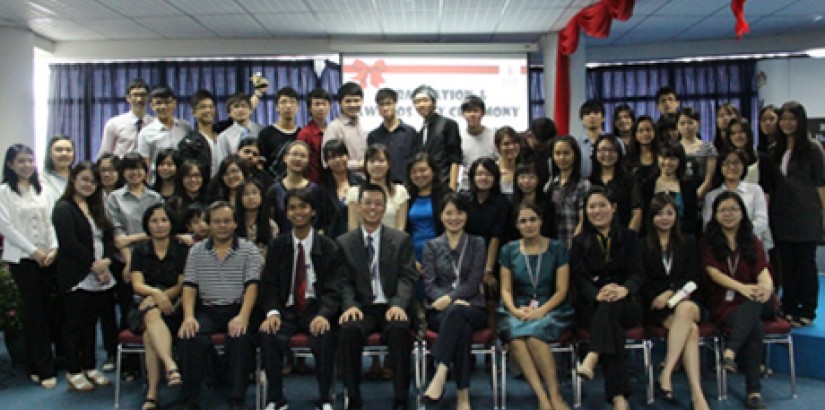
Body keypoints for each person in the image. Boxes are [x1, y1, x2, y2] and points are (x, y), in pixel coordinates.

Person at [336, 183, 418, 410]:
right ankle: (353, 398)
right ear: (359, 206)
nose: (373, 208)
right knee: (349, 329)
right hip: (362, 307)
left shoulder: (400, 240)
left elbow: (408, 277)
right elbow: (342, 281)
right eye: (368, 203)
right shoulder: (345, 242)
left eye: (378, 204)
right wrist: (349, 305)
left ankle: (401, 398)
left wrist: (399, 304)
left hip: (392, 304)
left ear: (384, 208)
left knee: (400, 329)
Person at [258, 189, 341, 410]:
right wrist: (272, 312)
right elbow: (269, 285)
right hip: (286, 309)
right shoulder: (278, 245)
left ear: (313, 211)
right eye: (292, 207)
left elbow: (334, 289)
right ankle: (276, 399)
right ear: (286, 213)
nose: (298, 212)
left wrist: (324, 314)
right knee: (268, 334)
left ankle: (325, 398)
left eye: (303, 207)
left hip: (315, 308)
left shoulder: (328, 246)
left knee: (324, 335)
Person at [177, 201, 263, 410]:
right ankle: (191, 398)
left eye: (226, 221)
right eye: (217, 222)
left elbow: (252, 286)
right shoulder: (196, 251)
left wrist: (243, 316)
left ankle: (237, 398)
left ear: (235, 224)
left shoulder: (249, 250)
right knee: (189, 336)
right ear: (210, 224)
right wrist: (188, 317)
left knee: (240, 338)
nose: (222, 225)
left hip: (238, 307)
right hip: (207, 308)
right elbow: (189, 286)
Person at [570, 187, 644, 410]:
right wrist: (597, 294)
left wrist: (624, 289)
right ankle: (619, 397)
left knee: (612, 309)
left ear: (613, 208)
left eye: (602, 205)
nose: (597, 211)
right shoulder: (579, 241)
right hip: (593, 305)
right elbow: (579, 278)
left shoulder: (630, 237)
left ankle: (593, 355)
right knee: (611, 326)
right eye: (592, 207)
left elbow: (639, 273)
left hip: (627, 303)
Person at [498, 203, 573, 410]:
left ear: (541, 221)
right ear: (516, 225)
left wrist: (542, 310)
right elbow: (505, 290)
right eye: (523, 221)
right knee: (515, 336)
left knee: (533, 335)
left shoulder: (558, 248)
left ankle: (555, 395)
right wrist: (514, 310)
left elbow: (561, 290)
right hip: (518, 307)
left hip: (552, 307)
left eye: (533, 219)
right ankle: (542, 398)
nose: (529, 225)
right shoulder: (508, 250)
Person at [703, 191, 774, 410]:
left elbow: (763, 271)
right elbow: (713, 273)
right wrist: (743, 288)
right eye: (723, 210)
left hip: (758, 300)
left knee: (755, 304)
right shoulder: (709, 242)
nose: (728, 214)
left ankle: (731, 351)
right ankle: (753, 391)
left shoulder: (752, 241)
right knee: (755, 326)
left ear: (743, 214)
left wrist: (766, 289)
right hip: (726, 304)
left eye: (733, 209)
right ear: (714, 215)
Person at [640, 193, 709, 410]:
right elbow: (642, 279)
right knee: (691, 331)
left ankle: (666, 372)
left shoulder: (688, 241)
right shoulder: (642, 245)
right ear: (651, 217)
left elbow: (694, 278)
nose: (664, 218)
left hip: (688, 299)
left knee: (687, 309)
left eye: (669, 213)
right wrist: (661, 298)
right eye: (659, 214)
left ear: (676, 216)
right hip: (658, 308)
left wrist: (672, 293)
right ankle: (698, 396)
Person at [52, 161, 116, 391]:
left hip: (101, 275)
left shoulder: (97, 206)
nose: (89, 185)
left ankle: (90, 366)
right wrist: (94, 266)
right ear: (74, 180)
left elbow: (109, 236)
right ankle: (73, 370)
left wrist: (107, 260)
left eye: (93, 181)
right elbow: (70, 244)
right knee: (74, 325)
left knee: (91, 323)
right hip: (77, 276)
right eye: (85, 179)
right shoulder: (63, 208)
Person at [421, 193, 487, 410]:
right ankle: (463, 397)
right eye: (449, 213)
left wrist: (450, 298)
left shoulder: (477, 243)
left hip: (473, 307)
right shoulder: (431, 246)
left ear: (466, 216)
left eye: (459, 213)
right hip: (440, 311)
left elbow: (473, 282)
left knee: (459, 315)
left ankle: (440, 372)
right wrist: (450, 303)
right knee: (461, 328)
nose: (454, 218)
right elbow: (429, 285)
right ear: (441, 216)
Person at [0, 144, 59, 388]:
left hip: (49, 257)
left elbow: (52, 221)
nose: (26, 165)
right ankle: (43, 369)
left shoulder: (43, 189)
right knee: (34, 313)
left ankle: (42, 361)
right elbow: (7, 228)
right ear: (11, 165)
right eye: (20, 161)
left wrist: (54, 247)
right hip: (24, 260)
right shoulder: (4, 191)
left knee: (49, 311)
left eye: (29, 160)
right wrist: (33, 251)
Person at [769, 101, 825, 327]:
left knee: (805, 264)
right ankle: (789, 307)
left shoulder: (813, 149)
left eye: (792, 119)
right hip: (781, 216)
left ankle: (808, 309)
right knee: (787, 265)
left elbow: (821, 185)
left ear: (800, 121)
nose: (787, 123)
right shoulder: (775, 150)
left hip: (806, 215)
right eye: (783, 119)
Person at [128, 204, 188, 410]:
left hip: (175, 307)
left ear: (171, 223)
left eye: (164, 220)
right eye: (154, 221)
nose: (160, 225)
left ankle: (152, 393)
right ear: (147, 224)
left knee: (149, 335)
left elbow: (182, 285)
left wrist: (162, 298)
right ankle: (170, 366)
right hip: (143, 305)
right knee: (151, 315)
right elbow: (137, 285)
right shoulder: (140, 250)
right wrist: (156, 295)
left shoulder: (181, 249)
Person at [463, 157, 512, 332]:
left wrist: (488, 270)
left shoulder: (502, 202)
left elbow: (496, 237)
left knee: (490, 292)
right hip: (467, 258)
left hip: (494, 258)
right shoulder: (465, 200)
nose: (483, 178)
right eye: (479, 174)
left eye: (488, 174)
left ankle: (493, 343)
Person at [703, 149, 770, 251]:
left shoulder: (755, 190)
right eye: (727, 163)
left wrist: (739, 235)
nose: (732, 167)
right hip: (721, 247)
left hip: (751, 245)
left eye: (736, 162)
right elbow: (707, 225)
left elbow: (762, 221)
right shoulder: (711, 196)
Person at [640, 140, 698, 237]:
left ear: (680, 160)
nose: (667, 162)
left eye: (672, 159)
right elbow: (644, 217)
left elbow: (692, 218)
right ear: (657, 158)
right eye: (664, 158)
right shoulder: (647, 184)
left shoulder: (688, 186)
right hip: (652, 238)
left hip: (682, 238)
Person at [265, 141, 323, 233]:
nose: (298, 159)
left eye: (303, 156)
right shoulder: (274, 190)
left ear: (308, 161)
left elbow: (320, 222)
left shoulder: (315, 190)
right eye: (294, 154)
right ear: (285, 158)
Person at [347, 144, 409, 231]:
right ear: (365, 164)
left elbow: (400, 228)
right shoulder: (354, 193)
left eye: (381, 161)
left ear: (389, 164)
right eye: (372, 161)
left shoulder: (400, 191)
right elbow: (353, 228)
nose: (376, 165)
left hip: (393, 242)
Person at [412, 84, 462, 190]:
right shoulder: (421, 131)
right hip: (426, 185)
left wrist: (452, 187)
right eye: (417, 102)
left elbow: (455, 158)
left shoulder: (448, 124)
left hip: (444, 184)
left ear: (434, 103)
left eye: (425, 100)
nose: (421, 105)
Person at [589, 134, 642, 232]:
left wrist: (629, 237)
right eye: (603, 150)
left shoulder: (630, 179)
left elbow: (637, 212)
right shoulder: (590, 181)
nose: (607, 154)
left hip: (624, 236)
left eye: (612, 150)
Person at [406, 152, 452, 262]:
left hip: (441, 254)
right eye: (414, 172)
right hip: (413, 255)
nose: (419, 175)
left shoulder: (446, 194)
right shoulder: (408, 195)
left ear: (433, 171)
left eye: (423, 170)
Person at [137, 85, 192, 175]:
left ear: (174, 103)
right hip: (157, 181)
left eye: (167, 102)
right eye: (158, 103)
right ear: (152, 105)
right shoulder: (146, 133)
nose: (163, 107)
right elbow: (144, 165)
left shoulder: (185, 127)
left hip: (182, 179)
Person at [368, 88, 418, 184]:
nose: (385, 108)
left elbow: (416, 161)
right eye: (381, 104)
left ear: (395, 104)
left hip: (407, 186)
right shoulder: (373, 136)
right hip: (380, 186)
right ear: (377, 107)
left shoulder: (410, 132)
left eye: (388, 103)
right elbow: (371, 163)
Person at [547, 135, 590, 246]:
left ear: (575, 155)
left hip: (575, 244)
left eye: (566, 153)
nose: (562, 158)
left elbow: (583, 220)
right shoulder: (549, 185)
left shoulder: (583, 185)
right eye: (558, 153)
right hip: (552, 245)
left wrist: (573, 244)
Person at [98, 78, 153, 159]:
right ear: (128, 98)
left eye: (143, 95)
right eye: (135, 95)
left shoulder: (155, 124)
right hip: (121, 169)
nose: (139, 99)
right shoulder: (114, 123)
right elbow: (105, 155)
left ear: (148, 98)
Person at [320, 139, 364, 239]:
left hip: (358, 239)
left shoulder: (361, 182)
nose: (338, 160)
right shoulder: (323, 188)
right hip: (333, 241)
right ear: (326, 161)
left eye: (341, 155)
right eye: (332, 157)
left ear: (347, 156)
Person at [323, 82, 367, 175]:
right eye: (348, 101)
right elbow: (326, 162)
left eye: (356, 100)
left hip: (364, 181)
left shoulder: (360, 125)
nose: (353, 105)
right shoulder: (333, 127)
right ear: (340, 103)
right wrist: (359, 165)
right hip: (344, 182)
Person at [259, 86, 301, 178]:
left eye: (292, 102)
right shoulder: (265, 133)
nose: (288, 106)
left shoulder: (302, 134)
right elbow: (261, 166)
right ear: (276, 107)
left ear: (297, 107)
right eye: (284, 102)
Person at [458, 95, 497, 191]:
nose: (472, 115)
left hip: (489, 187)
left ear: (482, 113)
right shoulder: (459, 137)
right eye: (468, 111)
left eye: (475, 111)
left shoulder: (494, 136)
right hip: (466, 188)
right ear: (463, 114)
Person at [677, 107, 718, 199]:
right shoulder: (673, 148)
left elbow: (709, 180)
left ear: (698, 123)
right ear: (677, 126)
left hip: (703, 197)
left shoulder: (708, 148)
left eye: (690, 122)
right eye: (682, 123)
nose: (686, 126)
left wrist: (694, 198)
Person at [178, 89, 219, 177]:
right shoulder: (188, 143)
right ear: (194, 113)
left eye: (211, 107)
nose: (208, 110)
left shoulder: (222, 133)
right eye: (203, 107)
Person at [215, 93, 264, 165]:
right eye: (236, 107)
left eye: (244, 106)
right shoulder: (223, 137)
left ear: (250, 110)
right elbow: (222, 163)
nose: (240, 109)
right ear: (229, 113)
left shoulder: (262, 131)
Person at [297, 87, 333, 184]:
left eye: (324, 104)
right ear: (309, 108)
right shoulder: (304, 134)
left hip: (333, 183)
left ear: (330, 106)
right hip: (312, 184)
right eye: (317, 104)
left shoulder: (334, 130)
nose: (321, 108)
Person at [511, 162, 555, 238]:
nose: (527, 181)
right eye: (522, 177)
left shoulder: (548, 204)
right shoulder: (511, 204)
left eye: (531, 177)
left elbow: (550, 230)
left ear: (538, 179)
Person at [235, 178, 277, 257]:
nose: (251, 197)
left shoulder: (271, 225)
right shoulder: (233, 224)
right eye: (246, 194)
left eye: (254, 193)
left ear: (261, 196)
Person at [167, 160, 209, 232]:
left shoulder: (212, 200)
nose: (192, 180)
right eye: (188, 176)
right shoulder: (173, 203)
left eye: (196, 175)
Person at [41, 135, 75, 205]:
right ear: (50, 154)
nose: (64, 154)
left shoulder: (79, 177)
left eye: (68, 150)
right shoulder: (41, 179)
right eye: (59, 150)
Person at [577, 100, 607, 179]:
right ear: (582, 119)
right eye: (587, 114)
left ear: (603, 117)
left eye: (596, 113)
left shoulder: (615, 142)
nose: (592, 116)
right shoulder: (576, 144)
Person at [625, 115, 658, 185]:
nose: (645, 133)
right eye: (641, 130)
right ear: (635, 134)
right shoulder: (628, 157)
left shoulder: (661, 154)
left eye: (648, 130)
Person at [495, 126, 522, 196]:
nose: (511, 147)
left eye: (515, 142)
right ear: (498, 147)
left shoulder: (526, 170)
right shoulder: (492, 171)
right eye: (506, 144)